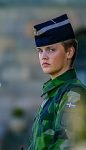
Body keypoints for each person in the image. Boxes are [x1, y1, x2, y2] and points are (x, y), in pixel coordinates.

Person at [28, 14, 86, 150]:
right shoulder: (53, 94)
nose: (44, 56)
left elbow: (68, 145)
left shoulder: (73, 92)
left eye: (51, 50)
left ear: (69, 52)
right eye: (40, 51)